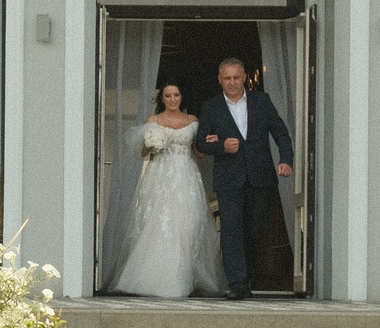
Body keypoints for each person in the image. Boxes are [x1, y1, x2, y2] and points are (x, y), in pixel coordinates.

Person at [102, 80, 219, 298]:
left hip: (186, 175)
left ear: (181, 97)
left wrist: (212, 141)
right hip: (160, 176)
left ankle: (182, 278)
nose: (173, 99)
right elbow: (143, 153)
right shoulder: (153, 120)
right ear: (162, 98)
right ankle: (153, 279)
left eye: (176, 95)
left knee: (186, 225)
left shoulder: (192, 121)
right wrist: (152, 142)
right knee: (158, 224)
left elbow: (199, 152)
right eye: (168, 96)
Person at [195, 57, 294, 300]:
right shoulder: (211, 107)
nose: (231, 82)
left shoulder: (262, 101)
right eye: (226, 78)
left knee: (255, 231)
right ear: (219, 80)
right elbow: (199, 144)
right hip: (229, 180)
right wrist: (221, 146)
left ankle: (248, 278)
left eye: (236, 77)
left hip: (260, 177)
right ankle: (237, 284)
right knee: (231, 230)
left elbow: (280, 131)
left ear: (245, 78)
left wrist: (286, 160)